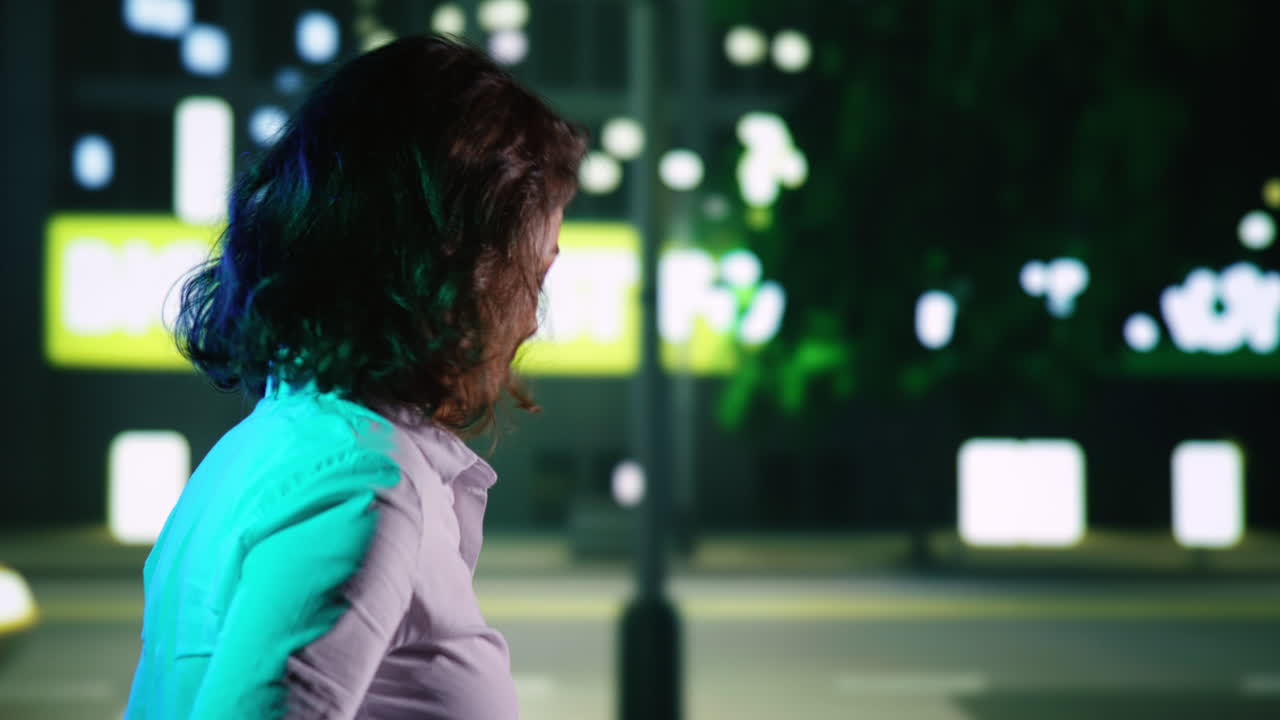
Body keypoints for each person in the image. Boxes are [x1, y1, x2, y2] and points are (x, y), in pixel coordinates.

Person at [123, 34, 585, 719]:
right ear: (460, 267)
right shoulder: (361, 487)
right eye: (534, 276)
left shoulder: (268, 449)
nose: (531, 322)